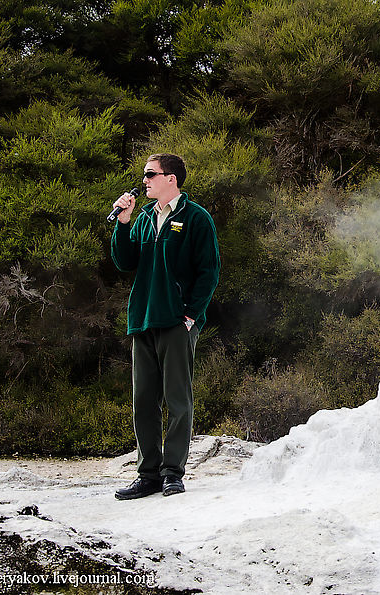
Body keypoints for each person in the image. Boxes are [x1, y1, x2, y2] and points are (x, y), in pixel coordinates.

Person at [110, 153, 220, 499]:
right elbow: (124, 261)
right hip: (143, 319)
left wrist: (191, 314)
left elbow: (209, 271)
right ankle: (148, 474)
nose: (144, 180)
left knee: (178, 400)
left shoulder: (195, 217)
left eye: (150, 174)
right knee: (143, 400)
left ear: (170, 178)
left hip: (177, 322)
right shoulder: (142, 217)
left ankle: (173, 472)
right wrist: (123, 223)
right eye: (145, 175)